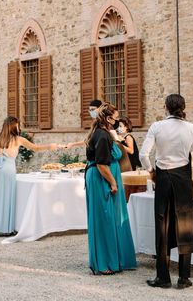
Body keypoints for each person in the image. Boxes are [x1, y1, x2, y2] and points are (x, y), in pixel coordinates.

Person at [140, 94, 193, 289]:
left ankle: (163, 278)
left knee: (162, 225)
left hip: (163, 178)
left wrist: (151, 171)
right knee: (185, 224)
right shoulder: (190, 128)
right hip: (183, 179)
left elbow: (143, 154)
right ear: (183, 107)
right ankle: (184, 278)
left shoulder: (156, 127)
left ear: (165, 107)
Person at [0, 116, 59, 237]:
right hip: (7, 169)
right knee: (6, 198)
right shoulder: (18, 139)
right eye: (18, 125)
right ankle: (6, 228)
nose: (19, 127)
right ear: (14, 126)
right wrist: (50, 146)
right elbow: (36, 148)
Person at [85, 103, 137, 274]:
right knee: (104, 219)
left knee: (112, 217)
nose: (116, 120)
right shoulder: (101, 135)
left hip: (106, 177)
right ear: (108, 119)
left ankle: (116, 258)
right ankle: (104, 263)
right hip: (102, 179)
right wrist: (113, 182)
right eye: (115, 118)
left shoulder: (105, 133)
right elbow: (101, 164)